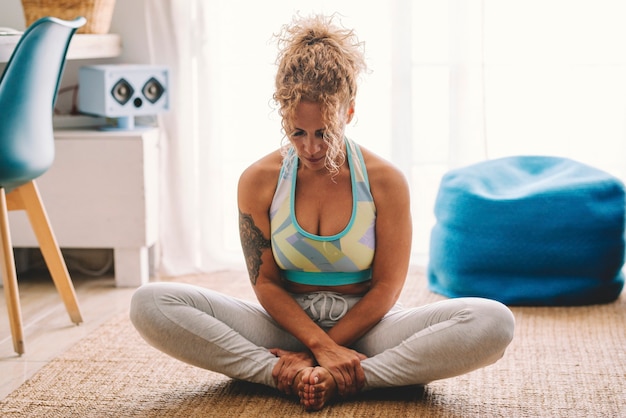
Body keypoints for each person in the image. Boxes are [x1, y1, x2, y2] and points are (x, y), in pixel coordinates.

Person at [130, 14, 515, 411]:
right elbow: (266, 283)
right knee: (150, 302)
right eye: (298, 132)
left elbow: (386, 288)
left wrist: (328, 350)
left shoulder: (386, 181)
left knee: (493, 321)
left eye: (324, 133)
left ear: (348, 113)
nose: (311, 148)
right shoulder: (258, 181)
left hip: (370, 328)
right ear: (284, 118)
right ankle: (288, 371)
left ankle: (349, 376)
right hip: (285, 326)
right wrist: (318, 345)